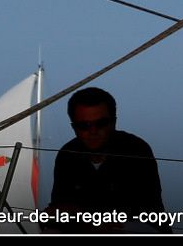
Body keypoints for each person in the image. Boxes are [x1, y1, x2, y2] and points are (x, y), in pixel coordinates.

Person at [46, 87, 170, 233]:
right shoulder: (67, 155)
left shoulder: (136, 150)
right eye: (84, 125)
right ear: (74, 127)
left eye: (101, 123)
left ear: (113, 122)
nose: (93, 131)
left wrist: (87, 220)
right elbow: (57, 211)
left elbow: (147, 210)